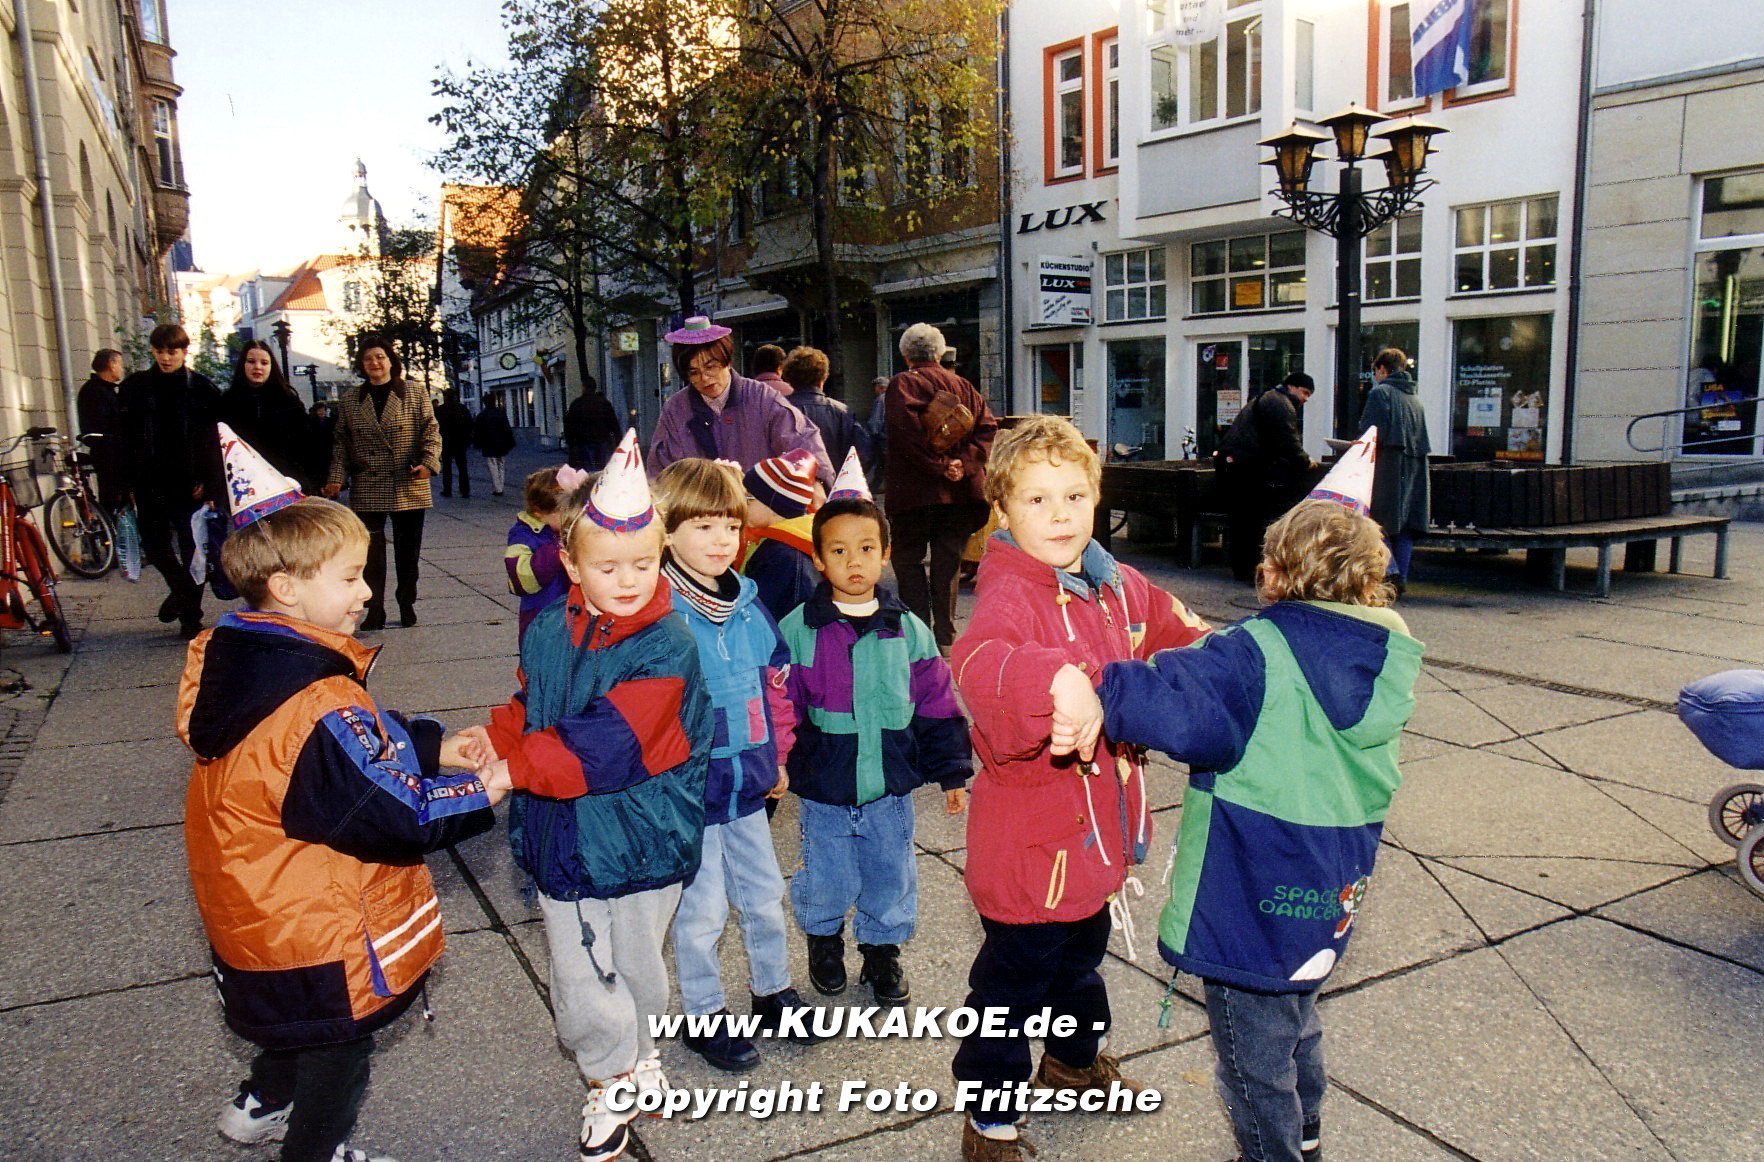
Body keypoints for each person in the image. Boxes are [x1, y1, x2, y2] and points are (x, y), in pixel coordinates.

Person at [1060, 475, 1422, 1162]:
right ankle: (1306, 1136)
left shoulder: (1257, 652)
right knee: (1295, 1019)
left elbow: (1181, 706)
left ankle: (1273, 1153)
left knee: (1253, 1059)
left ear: (1275, 571)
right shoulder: (1383, 656)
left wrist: (1097, 681)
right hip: (1330, 882)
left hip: (1249, 886)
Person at [183, 429, 503, 1162]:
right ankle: (316, 1150)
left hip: (261, 903)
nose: (365, 590)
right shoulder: (314, 699)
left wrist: (431, 747)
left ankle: (262, 1103)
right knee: (338, 1042)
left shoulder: (247, 659)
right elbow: (389, 810)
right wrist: (481, 788)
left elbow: (355, 743)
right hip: (314, 919)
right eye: (351, 577)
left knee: (296, 1019)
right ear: (287, 586)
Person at [949, 416, 1210, 1162]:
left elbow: (1182, 631)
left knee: (1080, 963)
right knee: (1012, 989)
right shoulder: (1010, 594)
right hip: (1031, 852)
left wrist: (1237, 663)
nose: (1060, 515)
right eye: (1037, 500)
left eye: (1074, 496)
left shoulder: (1113, 584)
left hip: (1094, 838)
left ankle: (1070, 1062)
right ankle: (990, 1117)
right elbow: (981, 663)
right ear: (1003, 510)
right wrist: (1056, 680)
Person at [462, 432, 711, 1162]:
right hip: (562, 833)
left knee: (638, 962)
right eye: (607, 566)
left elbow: (609, 743)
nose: (628, 580)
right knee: (580, 973)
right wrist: (496, 740)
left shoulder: (668, 646)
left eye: (643, 562)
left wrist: (513, 771)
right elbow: (535, 704)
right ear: (570, 563)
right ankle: (609, 1074)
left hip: (641, 835)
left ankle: (643, 1049)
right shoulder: (548, 627)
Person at [778, 452, 971, 1007]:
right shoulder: (798, 629)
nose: (854, 561)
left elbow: (936, 700)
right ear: (819, 559)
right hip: (826, 781)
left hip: (890, 781)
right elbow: (780, 705)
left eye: (866, 548)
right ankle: (824, 940)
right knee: (826, 870)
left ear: (886, 553)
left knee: (891, 871)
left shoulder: (908, 629)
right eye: (838, 551)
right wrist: (777, 763)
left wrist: (952, 771)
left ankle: (882, 950)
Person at [653, 457, 824, 1073]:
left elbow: (775, 686)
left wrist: (778, 756)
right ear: (667, 530)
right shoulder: (660, 613)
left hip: (748, 783)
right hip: (692, 790)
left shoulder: (749, 607)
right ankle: (703, 1012)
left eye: (730, 525)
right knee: (701, 911)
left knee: (764, 894)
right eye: (703, 527)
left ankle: (773, 993)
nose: (721, 540)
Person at [885, 323, 998, 652]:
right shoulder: (964, 386)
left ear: (906, 355)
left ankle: (919, 636)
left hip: (913, 494)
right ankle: (946, 637)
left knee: (908, 561)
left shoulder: (902, 384)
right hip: (960, 494)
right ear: (939, 352)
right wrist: (963, 463)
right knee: (948, 564)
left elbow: (905, 435)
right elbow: (988, 427)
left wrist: (938, 465)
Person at [323, 336, 440, 631]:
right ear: (361, 365)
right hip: (368, 484)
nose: (374, 363)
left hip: (407, 481)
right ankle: (375, 609)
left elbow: (430, 430)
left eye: (380, 357)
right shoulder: (350, 399)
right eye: (368, 359)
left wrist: (428, 463)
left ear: (390, 361)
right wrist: (336, 479)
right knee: (370, 554)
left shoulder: (414, 391)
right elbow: (341, 443)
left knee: (408, 552)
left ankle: (406, 602)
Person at [118, 322, 224, 639]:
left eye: (172, 352)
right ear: (153, 351)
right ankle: (182, 592)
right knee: (155, 545)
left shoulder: (201, 389)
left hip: (189, 483)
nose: (166, 358)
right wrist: (126, 483)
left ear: (184, 352)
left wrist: (210, 481)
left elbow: (213, 441)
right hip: (148, 481)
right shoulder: (135, 387)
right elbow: (124, 438)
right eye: (160, 351)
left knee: (193, 550)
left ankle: (191, 617)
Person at [649, 316, 832, 483]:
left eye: (711, 367)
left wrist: (817, 481)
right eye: (694, 372)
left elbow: (803, 444)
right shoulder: (675, 410)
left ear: (727, 362)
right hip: (699, 508)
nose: (704, 378)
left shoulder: (762, 398)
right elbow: (660, 472)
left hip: (759, 504)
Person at [1214, 371, 1318, 584]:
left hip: (1237, 464)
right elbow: (1287, 440)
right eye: (1305, 392)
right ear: (1291, 387)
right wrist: (1305, 461)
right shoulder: (1280, 404)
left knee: (1243, 521)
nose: (1306, 399)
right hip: (1247, 467)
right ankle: (1251, 571)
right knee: (1252, 521)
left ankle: (1243, 569)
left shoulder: (1270, 398)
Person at [1360, 348, 1432, 594]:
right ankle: (1401, 577)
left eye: (1375, 372)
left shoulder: (1381, 393)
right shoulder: (1415, 399)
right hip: (1415, 469)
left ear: (1382, 369)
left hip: (1387, 468)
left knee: (1375, 521)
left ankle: (1392, 572)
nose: (1375, 377)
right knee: (1405, 526)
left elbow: (1371, 432)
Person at [218, 341, 317, 492]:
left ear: (271, 366)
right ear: (243, 365)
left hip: (286, 482)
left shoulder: (288, 400)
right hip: (243, 486)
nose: (257, 367)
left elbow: (306, 444)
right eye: (251, 361)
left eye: (264, 363)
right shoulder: (228, 401)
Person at [740, 450, 823, 624]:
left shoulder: (782, 556)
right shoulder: (778, 540)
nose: (742, 503)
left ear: (773, 507)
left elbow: (761, 613)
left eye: (749, 498)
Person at [504, 466, 570, 641]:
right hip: (540, 615)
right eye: (565, 513)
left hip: (571, 612)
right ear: (539, 513)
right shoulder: (523, 535)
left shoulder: (566, 531)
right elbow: (521, 578)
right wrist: (555, 550)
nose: (572, 517)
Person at [780, 346, 867, 473]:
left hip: (790, 483)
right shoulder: (842, 412)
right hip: (834, 482)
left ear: (790, 379)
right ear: (823, 378)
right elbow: (864, 454)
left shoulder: (780, 409)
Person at [76, 348, 126, 511]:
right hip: (109, 453)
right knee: (113, 498)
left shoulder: (105, 389)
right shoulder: (95, 391)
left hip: (113, 451)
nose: (122, 369)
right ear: (111, 364)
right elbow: (106, 423)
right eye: (120, 364)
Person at [564, 377, 621, 470]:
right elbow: (613, 422)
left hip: (583, 442)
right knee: (601, 468)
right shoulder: (604, 403)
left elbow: (569, 425)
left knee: (587, 469)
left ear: (583, 387)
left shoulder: (576, 404)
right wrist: (618, 439)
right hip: (601, 440)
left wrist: (571, 443)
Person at [472, 392, 517, 496]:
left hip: (489, 445)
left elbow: (478, 432)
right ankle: (501, 486)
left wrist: (477, 443)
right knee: (501, 464)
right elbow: (507, 429)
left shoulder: (482, 415)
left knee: (493, 466)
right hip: (501, 444)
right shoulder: (500, 413)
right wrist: (509, 442)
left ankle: (497, 488)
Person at [435, 388, 476, 499]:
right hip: (460, 442)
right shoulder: (462, 409)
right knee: (462, 468)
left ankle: (447, 489)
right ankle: (465, 490)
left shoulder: (441, 410)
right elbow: (470, 424)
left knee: (447, 467)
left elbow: (436, 427)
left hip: (446, 442)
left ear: (445, 397)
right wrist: (467, 440)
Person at [865, 375, 890, 491]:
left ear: (880, 387)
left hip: (882, 438)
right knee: (884, 464)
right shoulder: (893, 398)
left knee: (880, 462)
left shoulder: (881, 400)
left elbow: (876, 421)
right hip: (890, 437)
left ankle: (876, 486)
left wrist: (871, 435)